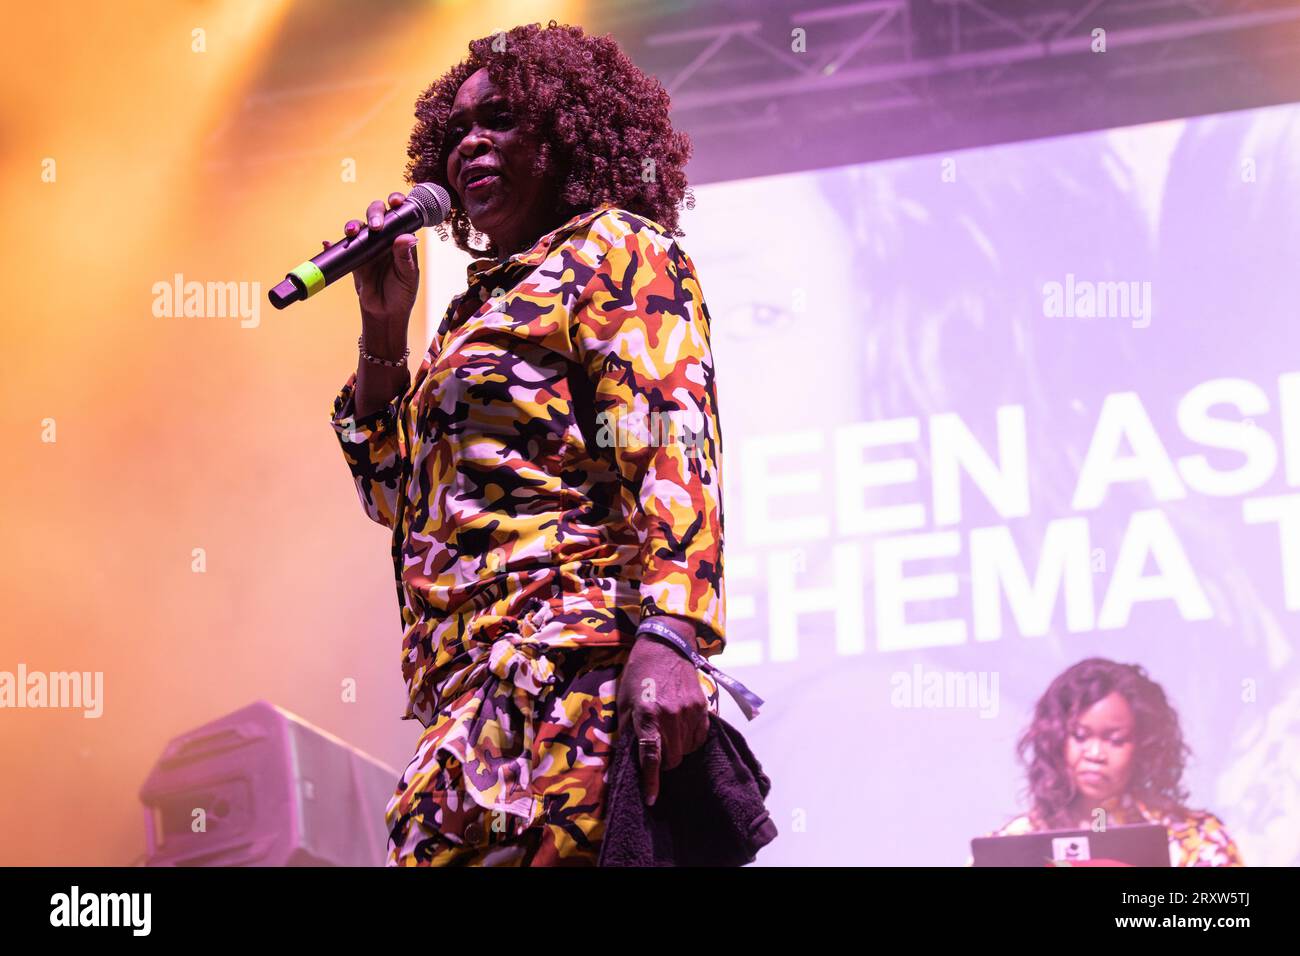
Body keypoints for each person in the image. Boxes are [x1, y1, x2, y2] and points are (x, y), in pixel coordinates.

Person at [327, 21, 727, 865]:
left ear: (568, 135)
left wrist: (672, 635)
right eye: (459, 130)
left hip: (568, 679)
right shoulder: (468, 316)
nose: (471, 142)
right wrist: (383, 331)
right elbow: (395, 498)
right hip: (463, 711)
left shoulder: (613, 250)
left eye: (501, 119)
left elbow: (671, 442)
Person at [989, 657, 1243, 866]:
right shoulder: (1012, 846)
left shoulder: (1196, 838)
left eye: (1115, 740)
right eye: (1080, 736)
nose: (1096, 753)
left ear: (1145, 747)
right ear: (1055, 740)